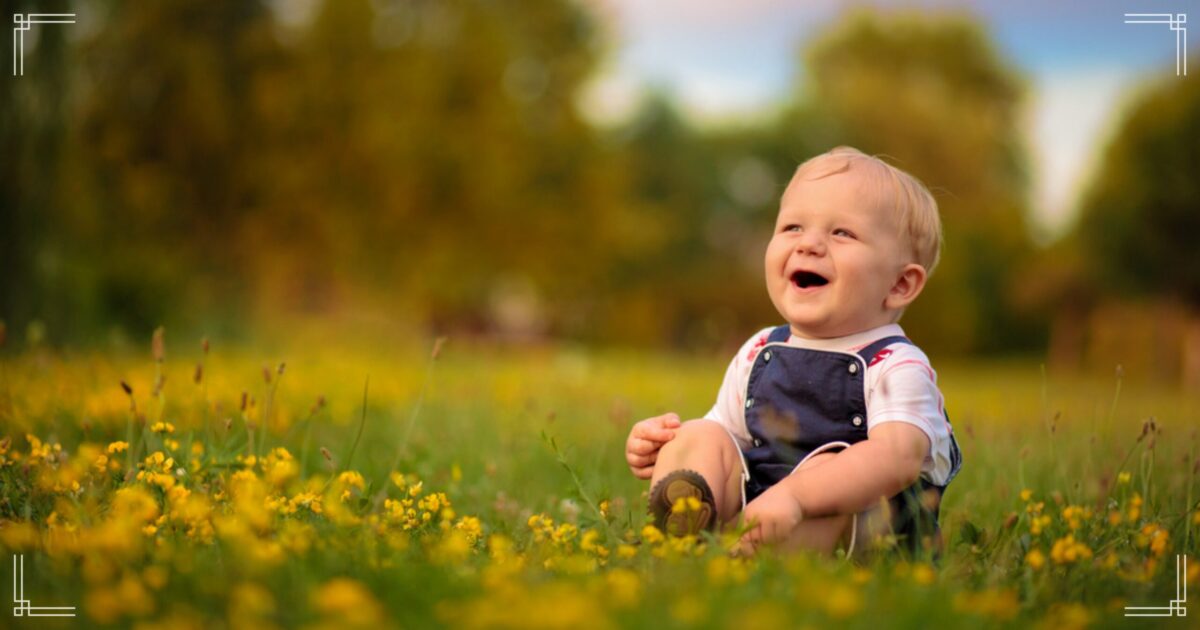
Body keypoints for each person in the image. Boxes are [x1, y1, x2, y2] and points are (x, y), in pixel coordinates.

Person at [624, 146, 962, 556]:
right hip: (764, 510)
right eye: (792, 228)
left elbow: (898, 458)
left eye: (842, 233)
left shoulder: (895, 365)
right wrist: (667, 447)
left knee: (833, 465)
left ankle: (742, 557)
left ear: (899, 285)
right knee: (701, 433)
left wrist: (798, 497)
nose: (809, 245)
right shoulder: (760, 349)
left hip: (863, 533)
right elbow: (730, 439)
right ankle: (688, 521)